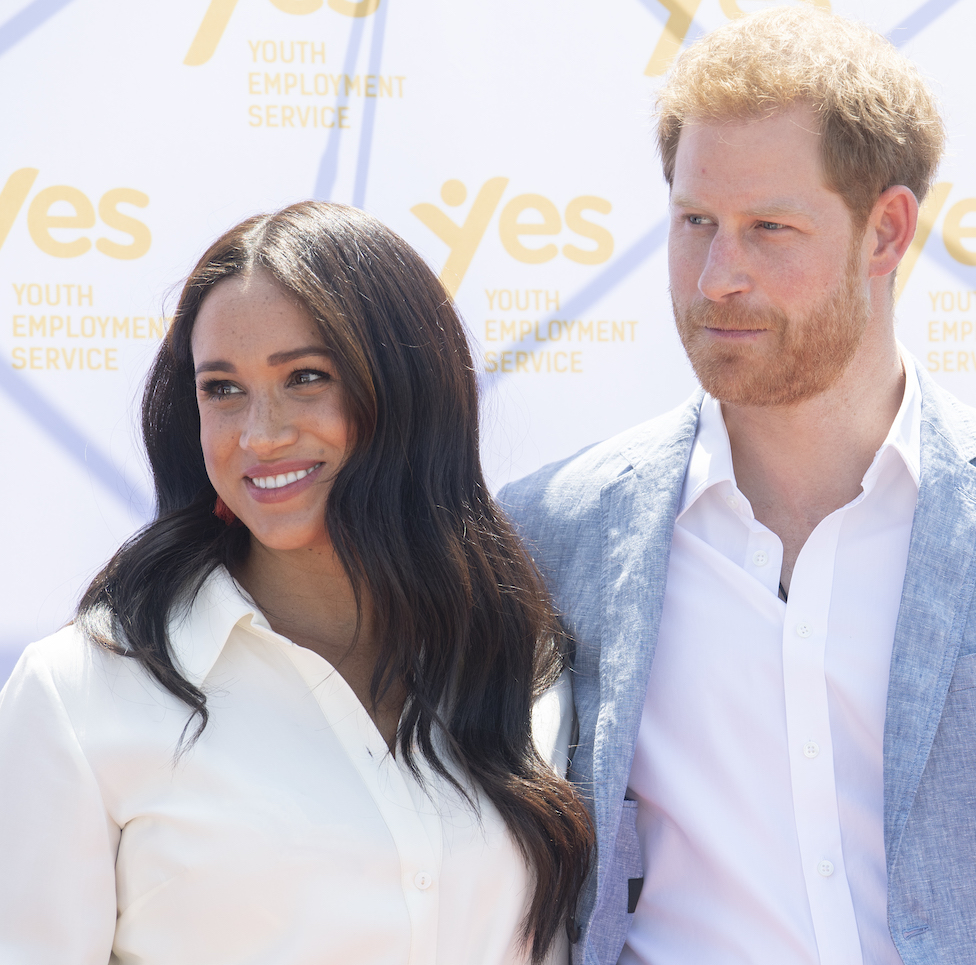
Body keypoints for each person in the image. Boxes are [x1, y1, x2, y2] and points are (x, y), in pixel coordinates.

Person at [499, 8, 976, 965]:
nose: (719, 275)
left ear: (885, 231)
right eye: (695, 224)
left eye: (769, 227)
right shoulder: (555, 531)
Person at [0, 201, 592, 965]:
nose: (260, 434)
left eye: (305, 378)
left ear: (408, 392)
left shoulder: (524, 660)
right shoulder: (81, 693)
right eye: (222, 389)